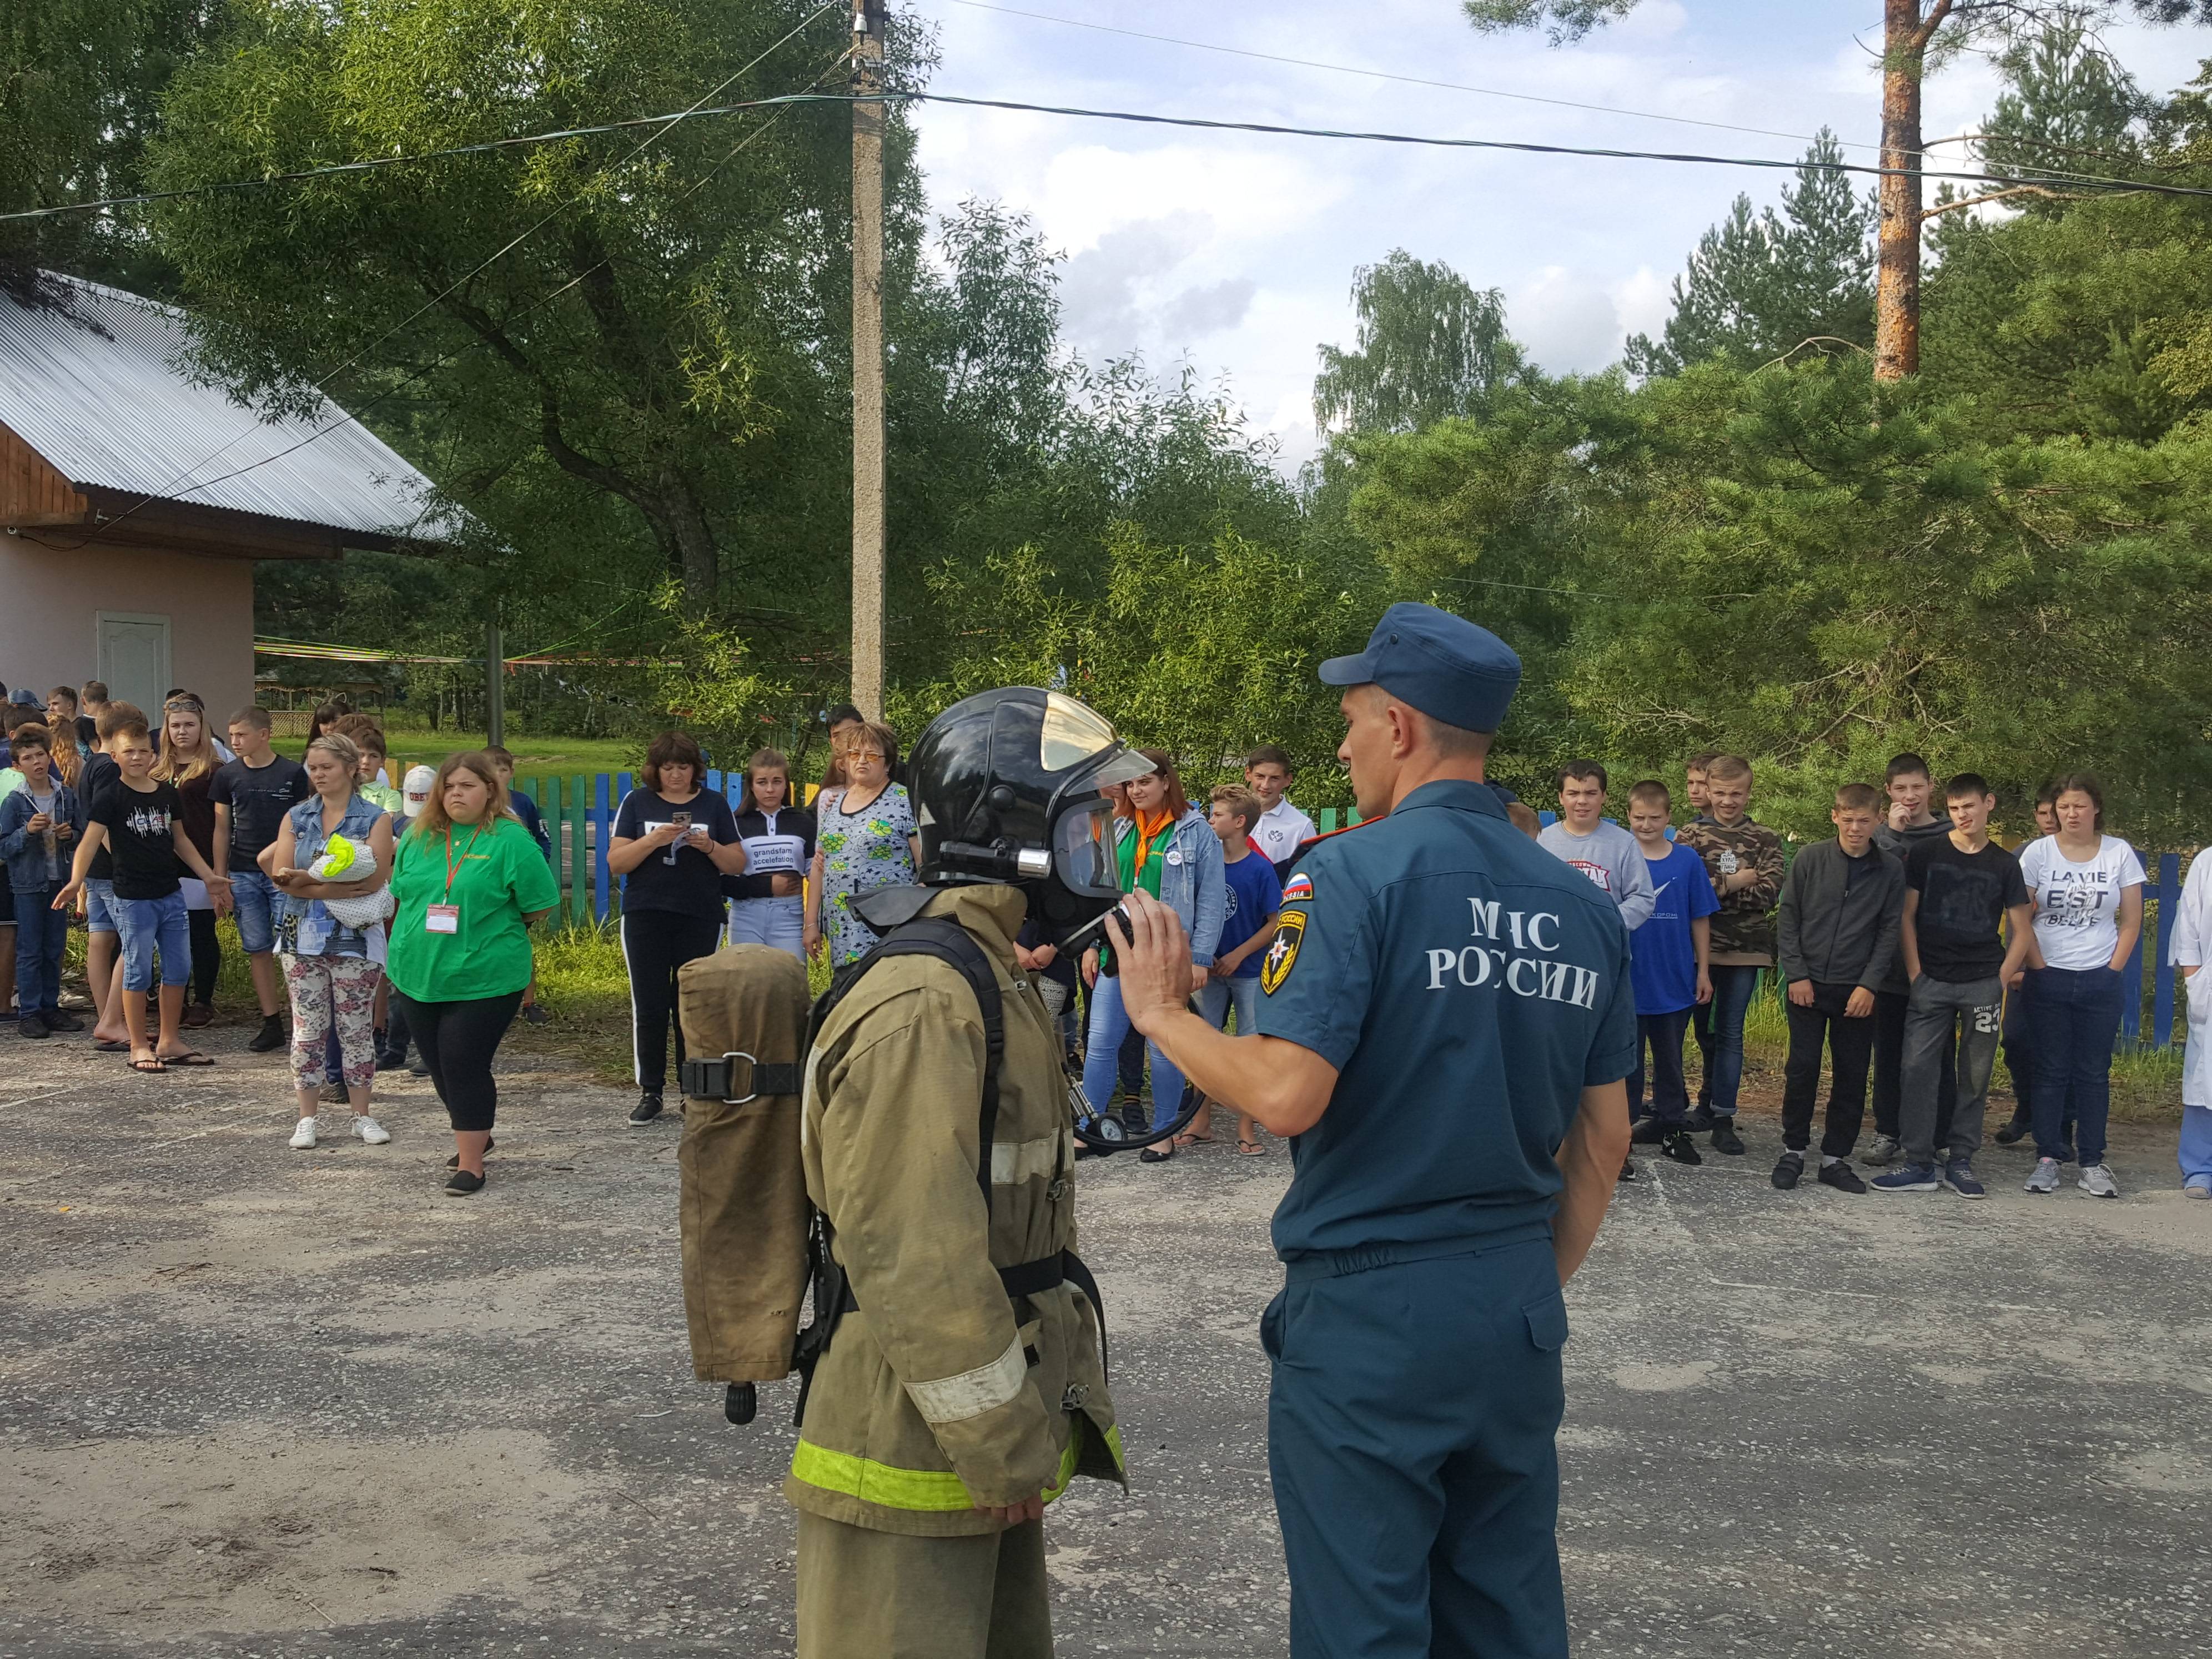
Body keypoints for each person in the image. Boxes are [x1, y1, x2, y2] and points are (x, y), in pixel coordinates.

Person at [1109, 602, 1635, 1659]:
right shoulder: (1576, 900)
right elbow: (1603, 1139)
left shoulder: (1348, 870)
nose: (1343, 748)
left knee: (1363, 1624)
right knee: (1504, 1615)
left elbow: (1286, 1092)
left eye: (1351, 722)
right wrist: (1518, 1283)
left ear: (1396, 726)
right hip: (1513, 1302)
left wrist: (1162, 1015)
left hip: (1373, 1311)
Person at [787, 686, 1134, 1659]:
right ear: (1011, 833)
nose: (1100, 845)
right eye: (1085, 822)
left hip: (964, 1436)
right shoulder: (929, 1002)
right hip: (912, 1441)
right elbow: (909, 1249)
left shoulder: (989, 974)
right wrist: (999, 1440)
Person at [385, 752, 560, 1194]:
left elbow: (539, 905)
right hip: (418, 969)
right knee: (439, 1065)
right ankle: (477, 1130)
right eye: (448, 786)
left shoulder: (511, 840)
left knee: (463, 1062)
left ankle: (471, 1165)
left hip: (486, 974)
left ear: (490, 791)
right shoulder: (418, 836)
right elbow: (403, 893)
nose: (456, 794)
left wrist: (488, 930)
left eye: (467, 786)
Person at [1873, 774, 2033, 1199]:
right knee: (1917, 1070)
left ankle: (1960, 1159)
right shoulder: (1927, 853)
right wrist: (1915, 973)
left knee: (1975, 1077)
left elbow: (2022, 930)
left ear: (1988, 804)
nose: (1963, 815)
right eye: (1956, 808)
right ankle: (1918, 1162)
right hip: (1931, 982)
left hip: (1982, 983)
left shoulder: (2005, 863)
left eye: (1970, 806)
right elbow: (1906, 916)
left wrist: (1999, 980)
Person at [53, 715, 232, 1071]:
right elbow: (89, 842)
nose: (136, 757)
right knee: (138, 970)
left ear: (153, 755)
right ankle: (138, 1045)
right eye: (128, 752)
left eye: (142, 751)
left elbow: (180, 840)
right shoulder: (111, 796)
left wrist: (208, 876)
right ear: (115, 756)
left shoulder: (166, 793)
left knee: (178, 968)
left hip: (171, 893)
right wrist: (76, 881)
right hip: (132, 897)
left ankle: (169, 1040)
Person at [1077, 749, 1224, 1164]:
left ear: (1166, 782)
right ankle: (1090, 1128)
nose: (1136, 790)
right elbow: (1101, 893)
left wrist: (1200, 958)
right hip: (1118, 951)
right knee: (1101, 1042)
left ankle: (1163, 1132)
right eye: (1130, 783)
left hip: (1166, 955)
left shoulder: (1196, 832)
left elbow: (1211, 901)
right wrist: (1091, 944)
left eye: (1145, 781)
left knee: (1163, 1047)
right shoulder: (1119, 827)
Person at [608, 731, 746, 1126]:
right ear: (655, 769)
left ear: (695, 769)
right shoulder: (637, 801)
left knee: (693, 1003)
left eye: (683, 767)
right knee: (650, 1004)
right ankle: (650, 1091)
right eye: (667, 767)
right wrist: (652, 841)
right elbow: (617, 863)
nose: (675, 775)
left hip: (699, 914)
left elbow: (737, 864)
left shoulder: (713, 803)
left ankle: (693, 1090)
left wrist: (709, 847)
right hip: (646, 913)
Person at [1771, 783, 1904, 1194]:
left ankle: (1835, 1158)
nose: (1855, 828)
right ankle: (1794, 1150)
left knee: (1851, 1073)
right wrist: (1796, 975)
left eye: (1864, 821)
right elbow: (1788, 918)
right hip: (1807, 986)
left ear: (1879, 820)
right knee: (1803, 1068)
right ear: (1835, 817)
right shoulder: (1810, 858)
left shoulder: (1890, 869)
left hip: (1857, 991)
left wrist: (1869, 986)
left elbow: (1889, 932)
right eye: (1848, 820)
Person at [265, 732, 394, 1149]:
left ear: (351, 768)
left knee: (356, 1029)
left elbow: (373, 880)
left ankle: (362, 1115)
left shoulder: (375, 818)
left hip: (356, 938)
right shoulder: (297, 816)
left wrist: (307, 883)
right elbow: (281, 877)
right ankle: (307, 1118)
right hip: (300, 936)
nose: (318, 775)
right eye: (313, 768)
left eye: (327, 767)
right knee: (308, 1030)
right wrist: (331, 888)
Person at [2017, 774, 2143, 1199]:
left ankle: (2092, 1161)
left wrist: (2111, 970)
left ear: (2096, 809)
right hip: (2048, 976)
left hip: (2099, 979)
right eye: (2064, 807)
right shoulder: (2038, 853)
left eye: (2080, 806)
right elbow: (2020, 916)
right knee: (2050, 1070)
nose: (2071, 814)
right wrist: (2038, 965)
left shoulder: (2118, 853)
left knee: (2093, 1073)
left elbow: (2132, 920)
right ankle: (2048, 1158)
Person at [1676, 755, 1783, 1157]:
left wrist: (1713, 888)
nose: (1727, 801)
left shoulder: (1766, 838)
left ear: (1748, 793)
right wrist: (1738, 880)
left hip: (1744, 951)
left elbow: (1768, 894)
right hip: (1695, 951)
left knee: (1730, 1033)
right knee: (1694, 1033)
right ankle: (1688, 1108)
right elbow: (1684, 891)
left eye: (1736, 793)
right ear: (1708, 791)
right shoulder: (1689, 835)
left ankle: (1723, 1117)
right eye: (1720, 793)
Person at [1177, 785, 1283, 1156]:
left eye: (1218, 815)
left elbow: (1276, 922)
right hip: (1209, 971)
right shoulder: (1207, 865)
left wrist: (1239, 954)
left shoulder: (1261, 869)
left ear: (1239, 822)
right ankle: (1201, 1122)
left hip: (1248, 970)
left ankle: (1246, 1127)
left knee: (1250, 1047)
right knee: (1204, 1046)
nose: (1210, 820)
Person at [1864, 752, 1957, 1165]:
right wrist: (1893, 833)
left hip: (1939, 964)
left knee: (1939, 1056)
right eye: (1901, 788)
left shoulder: (1950, 833)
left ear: (1931, 787)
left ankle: (1941, 1136)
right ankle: (1888, 1131)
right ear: (1888, 792)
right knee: (1888, 1054)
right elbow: (1869, 881)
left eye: (1917, 787)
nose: (1910, 796)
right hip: (1889, 966)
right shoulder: (1877, 835)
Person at [1624, 780, 1715, 1168]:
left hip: (1674, 978)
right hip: (1628, 981)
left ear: (1669, 817)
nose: (1646, 825)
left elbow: (1700, 918)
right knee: (1627, 1064)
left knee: (1671, 1060)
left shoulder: (1687, 860)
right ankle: (1621, 1135)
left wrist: (1703, 970)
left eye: (1655, 818)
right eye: (1639, 818)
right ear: (1628, 816)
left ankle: (1672, 1127)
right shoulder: (1621, 855)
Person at [214, 708, 313, 1053]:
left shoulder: (293, 773)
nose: (235, 741)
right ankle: (271, 1022)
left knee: (292, 947)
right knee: (256, 947)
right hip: (242, 873)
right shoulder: (227, 775)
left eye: (241, 735)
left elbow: (305, 823)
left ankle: (304, 1019)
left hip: (283, 873)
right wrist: (220, 877)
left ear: (264, 735)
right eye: (231, 735)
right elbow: (221, 828)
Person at [807, 721, 919, 968]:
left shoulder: (905, 802)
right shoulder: (833, 805)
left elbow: (925, 867)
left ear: (888, 763)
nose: (862, 761)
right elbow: (819, 865)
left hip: (889, 931)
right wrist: (811, 924)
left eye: (871, 755)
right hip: (841, 931)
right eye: (855, 754)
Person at [0, 725, 84, 1037]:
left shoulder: (66, 796)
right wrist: (26, 832)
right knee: (30, 949)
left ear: (50, 757)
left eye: (40, 755)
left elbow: (82, 835)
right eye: (28, 758)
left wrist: (69, 835)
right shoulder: (15, 801)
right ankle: (30, 1012)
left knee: (54, 947)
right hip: (27, 885)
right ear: (17, 765)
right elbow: (4, 847)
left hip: (59, 881)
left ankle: (50, 1008)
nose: (36, 762)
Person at [1995, 786, 2063, 1146]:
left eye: (2055, 812)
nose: (2050, 820)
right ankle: (2026, 1109)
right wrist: (2016, 966)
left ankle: (2061, 1127)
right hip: (2025, 969)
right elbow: (2015, 919)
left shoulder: (2084, 856)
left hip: (2068, 968)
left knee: (2060, 1048)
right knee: (2016, 1040)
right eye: (2042, 813)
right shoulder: (2024, 855)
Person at [154, 695, 225, 1029]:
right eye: (176, 725)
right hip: (163, 861)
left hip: (200, 859)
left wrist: (218, 871)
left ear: (201, 728)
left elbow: (223, 823)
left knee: (200, 933)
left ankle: (203, 1001)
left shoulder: (214, 771)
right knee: (169, 934)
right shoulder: (155, 770)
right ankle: (175, 998)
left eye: (189, 725)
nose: (182, 731)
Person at [1539, 760, 1657, 933]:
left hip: (1604, 943)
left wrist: (1607, 921)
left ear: (1604, 796)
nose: (1582, 801)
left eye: (1591, 793)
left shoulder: (1624, 843)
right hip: (1553, 940)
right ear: (1561, 797)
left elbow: (1643, 897)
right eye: (1573, 793)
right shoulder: (1541, 842)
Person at [485, 746, 554, 1025]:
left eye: (503, 770)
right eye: (491, 770)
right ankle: (489, 999)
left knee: (519, 942)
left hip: (517, 890)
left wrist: (533, 870)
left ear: (511, 773)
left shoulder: (523, 803)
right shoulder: (478, 803)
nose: (497, 775)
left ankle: (529, 1002)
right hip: (487, 887)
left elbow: (542, 839)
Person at [727, 747, 815, 959]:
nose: (770, 789)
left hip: (789, 915)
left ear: (786, 784)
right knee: (747, 976)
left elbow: (816, 875)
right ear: (751, 785)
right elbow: (723, 881)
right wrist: (767, 886)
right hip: (746, 914)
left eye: (777, 782)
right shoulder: (736, 823)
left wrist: (812, 923)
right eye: (762, 782)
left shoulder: (803, 823)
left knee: (790, 975)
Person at [2168, 844, 2212, 1199]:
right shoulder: (2208, 862)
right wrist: (2194, 979)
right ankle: (2200, 1167)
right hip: (2210, 987)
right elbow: (2189, 925)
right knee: (2205, 1076)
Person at [1245, 745, 1318, 869]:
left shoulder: (1301, 826)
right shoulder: (1230, 815)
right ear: (1248, 774)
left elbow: (1308, 873)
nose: (1266, 785)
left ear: (1287, 780)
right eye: (1260, 776)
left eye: (1274, 778)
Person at [45, 686, 90, 758]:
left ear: (69, 705)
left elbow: (96, 752)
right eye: (49, 705)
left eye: (55, 704)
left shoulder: (84, 724)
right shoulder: (52, 728)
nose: (51, 709)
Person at [1683, 750, 1718, 823]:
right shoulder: (1692, 826)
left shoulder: (1735, 826)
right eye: (1690, 783)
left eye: (1703, 783)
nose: (1694, 791)